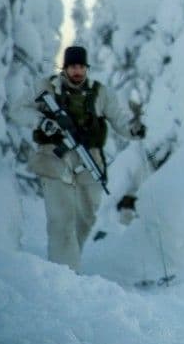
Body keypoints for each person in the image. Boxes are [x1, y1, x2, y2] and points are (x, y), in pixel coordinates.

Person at [26, 46, 146, 271]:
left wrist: (135, 130)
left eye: (81, 67)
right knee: (61, 220)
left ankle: (69, 261)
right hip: (54, 158)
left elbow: (119, 121)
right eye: (73, 67)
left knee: (87, 217)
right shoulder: (46, 88)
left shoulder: (100, 93)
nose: (77, 71)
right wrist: (42, 122)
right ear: (65, 68)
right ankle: (64, 272)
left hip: (89, 160)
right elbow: (18, 110)